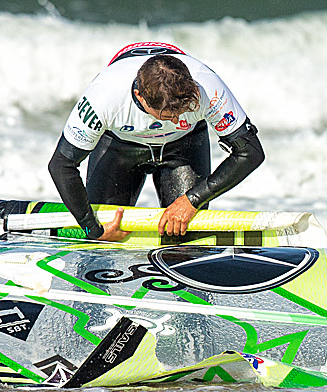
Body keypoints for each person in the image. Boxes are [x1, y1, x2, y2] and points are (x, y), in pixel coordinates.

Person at [48, 42, 264, 242]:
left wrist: (192, 199)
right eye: (167, 115)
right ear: (139, 97)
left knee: (185, 239)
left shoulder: (206, 86)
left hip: (183, 145)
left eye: (184, 110)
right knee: (102, 238)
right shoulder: (105, 96)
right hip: (119, 146)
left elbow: (250, 152)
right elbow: (61, 165)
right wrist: (91, 229)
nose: (178, 120)